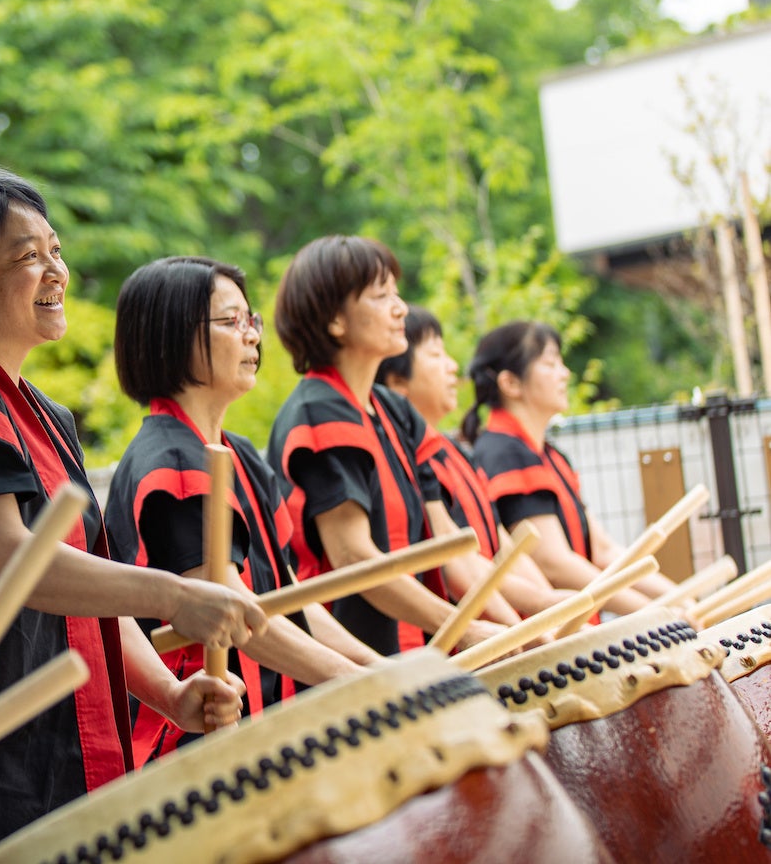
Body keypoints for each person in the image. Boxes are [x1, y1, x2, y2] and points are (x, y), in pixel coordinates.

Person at [0, 170, 265, 864]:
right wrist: (175, 595)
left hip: (51, 768)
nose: (56, 270)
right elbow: (12, 565)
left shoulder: (43, 413)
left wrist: (169, 695)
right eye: (26, 256)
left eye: (55, 250)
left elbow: (87, 593)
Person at [107, 256, 381, 764]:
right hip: (203, 745)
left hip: (271, 725)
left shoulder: (242, 457)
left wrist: (376, 668)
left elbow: (289, 601)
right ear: (171, 335)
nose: (252, 335)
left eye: (250, 320)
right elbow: (234, 617)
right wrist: (359, 682)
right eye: (232, 321)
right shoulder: (172, 465)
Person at [266, 236, 511, 656]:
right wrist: (464, 628)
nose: (400, 308)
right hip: (351, 666)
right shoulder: (319, 413)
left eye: (396, 293)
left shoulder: (395, 410)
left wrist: (517, 625)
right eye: (381, 296)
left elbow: (447, 541)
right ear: (334, 321)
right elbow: (352, 556)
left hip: (419, 652)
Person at [463, 320, 676, 609]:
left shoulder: (550, 456)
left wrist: (681, 599)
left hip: (580, 625)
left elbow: (603, 550)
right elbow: (553, 562)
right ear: (510, 383)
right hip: (549, 637)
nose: (564, 374)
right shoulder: (504, 454)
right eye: (550, 364)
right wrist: (651, 613)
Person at [375, 308, 571, 616]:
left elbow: (503, 549)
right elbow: (461, 563)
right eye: (436, 355)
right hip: (470, 639)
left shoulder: (456, 453)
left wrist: (552, 611)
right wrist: (544, 613)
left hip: (505, 625)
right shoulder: (409, 460)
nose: (453, 367)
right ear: (398, 382)